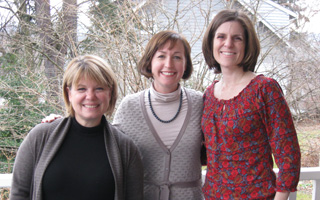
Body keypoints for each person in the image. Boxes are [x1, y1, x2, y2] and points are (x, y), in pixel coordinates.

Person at [10, 55, 144, 200]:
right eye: (81, 89)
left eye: (99, 88)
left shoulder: (125, 148)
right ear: (69, 93)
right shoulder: (41, 137)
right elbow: (19, 193)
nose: (90, 96)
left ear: (110, 93)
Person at [201, 9, 301, 200]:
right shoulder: (208, 95)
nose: (228, 43)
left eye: (237, 38)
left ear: (247, 45)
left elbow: (288, 154)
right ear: (211, 42)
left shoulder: (264, 89)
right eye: (221, 36)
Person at [113, 30, 204, 200]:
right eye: (161, 56)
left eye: (177, 57)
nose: (169, 64)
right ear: (150, 62)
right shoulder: (129, 107)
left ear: (186, 64)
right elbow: (106, 146)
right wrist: (59, 126)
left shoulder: (201, 103)